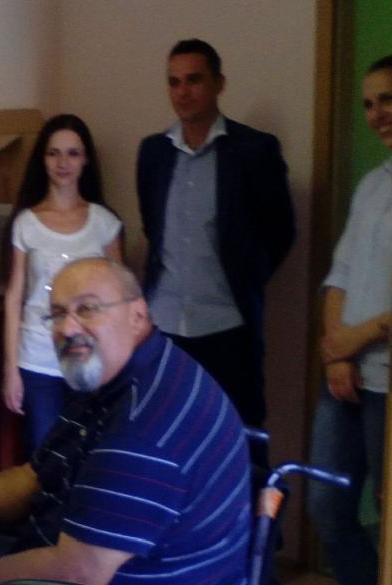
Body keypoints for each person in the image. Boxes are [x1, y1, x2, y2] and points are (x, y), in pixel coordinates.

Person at [0, 257, 251, 585]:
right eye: (57, 314)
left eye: (87, 308)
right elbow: (35, 479)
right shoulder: (113, 377)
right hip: (76, 565)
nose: (68, 328)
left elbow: (78, 573)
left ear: (137, 315)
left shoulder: (142, 430)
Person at [137, 38, 296, 428]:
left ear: (218, 84)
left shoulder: (254, 150)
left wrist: (247, 278)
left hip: (227, 327)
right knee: (165, 432)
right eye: (174, 82)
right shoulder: (153, 153)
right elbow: (153, 228)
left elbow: (281, 231)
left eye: (194, 80)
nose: (183, 92)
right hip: (165, 326)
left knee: (238, 433)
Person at [307, 54, 392, 585]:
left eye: (388, 99)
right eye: (368, 103)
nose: (376, 114)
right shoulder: (372, 184)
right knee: (327, 507)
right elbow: (339, 273)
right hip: (346, 378)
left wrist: (351, 343)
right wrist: (335, 348)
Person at [2, 114, 122, 456]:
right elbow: (14, 297)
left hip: (91, 358)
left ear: (85, 160)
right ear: (43, 160)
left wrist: (117, 363)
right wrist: (10, 369)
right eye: (54, 153)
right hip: (37, 357)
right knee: (43, 457)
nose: (63, 163)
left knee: (90, 456)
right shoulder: (26, 223)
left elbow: (119, 298)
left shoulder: (104, 223)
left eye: (72, 153)